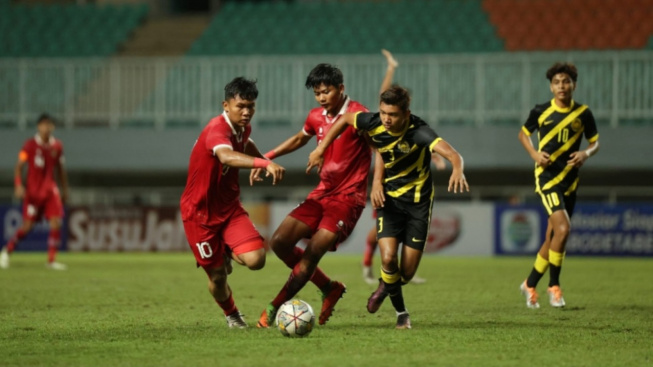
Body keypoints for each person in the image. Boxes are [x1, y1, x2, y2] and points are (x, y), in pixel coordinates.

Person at [253, 51, 402, 328]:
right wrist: (267, 157)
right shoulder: (315, 116)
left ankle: (274, 308)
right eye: (317, 93)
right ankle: (329, 287)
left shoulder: (358, 114)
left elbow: (380, 146)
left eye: (327, 91)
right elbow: (300, 138)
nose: (322, 97)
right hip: (321, 195)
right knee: (278, 242)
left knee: (310, 255)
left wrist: (378, 182)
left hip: (348, 200)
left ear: (341, 89)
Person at [308, 85, 469, 329]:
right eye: (383, 112)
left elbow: (453, 154)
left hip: (418, 206)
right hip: (389, 201)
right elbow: (343, 121)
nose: (386, 119)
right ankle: (401, 313)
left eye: (392, 115)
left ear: (406, 113)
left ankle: (386, 285)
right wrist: (321, 149)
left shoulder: (419, 132)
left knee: (406, 273)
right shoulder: (373, 122)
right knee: (388, 256)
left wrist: (457, 168)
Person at [179, 77, 285, 329]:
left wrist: (259, 158)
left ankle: (225, 248)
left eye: (251, 106)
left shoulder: (241, 128)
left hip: (229, 209)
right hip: (200, 215)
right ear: (225, 105)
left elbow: (245, 143)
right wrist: (264, 163)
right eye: (241, 107)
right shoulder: (217, 129)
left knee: (257, 260)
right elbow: (225, 155)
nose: (247, 112)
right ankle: (232, 314)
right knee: (218, 276)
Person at [518, 62, 599, 309]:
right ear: (551, 87)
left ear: (574, 84)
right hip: (547, 178)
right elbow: (523, 134)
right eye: (557, 82)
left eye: (566, 81)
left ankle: (529, 284)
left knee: (553, 236)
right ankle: (554, 286)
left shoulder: (583, 113)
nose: (561, 86)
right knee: (563, 229)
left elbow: (595, 142)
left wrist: (586, 153)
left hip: (570, 181)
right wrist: (534, 154)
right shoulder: (541, 111)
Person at [362, 153, 445, 285]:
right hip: (388, 190)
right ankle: (367, 265)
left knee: (404, 230)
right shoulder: (382, 140)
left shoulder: (405, 138)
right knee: (379, 232)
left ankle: (407, 269)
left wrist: (431, 153)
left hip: (406, 191)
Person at [0, 114, 69, 270]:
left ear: (53, 127)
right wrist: (18, 185)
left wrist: (65, 190)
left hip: (50, 191)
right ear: (38, 126)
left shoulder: (57, 146)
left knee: (56, 222)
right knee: (27, 226)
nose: (46, 128)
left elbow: (61, 170)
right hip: (33, 193)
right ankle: (6, 251)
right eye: (44, 124)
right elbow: (19, 166)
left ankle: (51, 260)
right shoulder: (29, 145)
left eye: (49, 125)